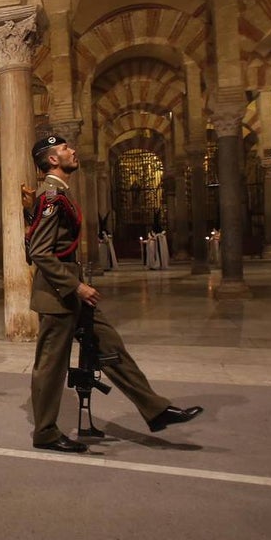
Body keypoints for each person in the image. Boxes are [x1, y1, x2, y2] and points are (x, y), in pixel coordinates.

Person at [26, 135, 203, 453]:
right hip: (57, 295)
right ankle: (45, 433)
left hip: (70, 292)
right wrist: (76, 286)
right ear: (52, 160)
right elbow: (39, 252)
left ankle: (155, 409)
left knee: (110, 347)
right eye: (64, 149)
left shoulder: (59, 192)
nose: (72, 151)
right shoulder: (51, 195)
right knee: (50, 367)